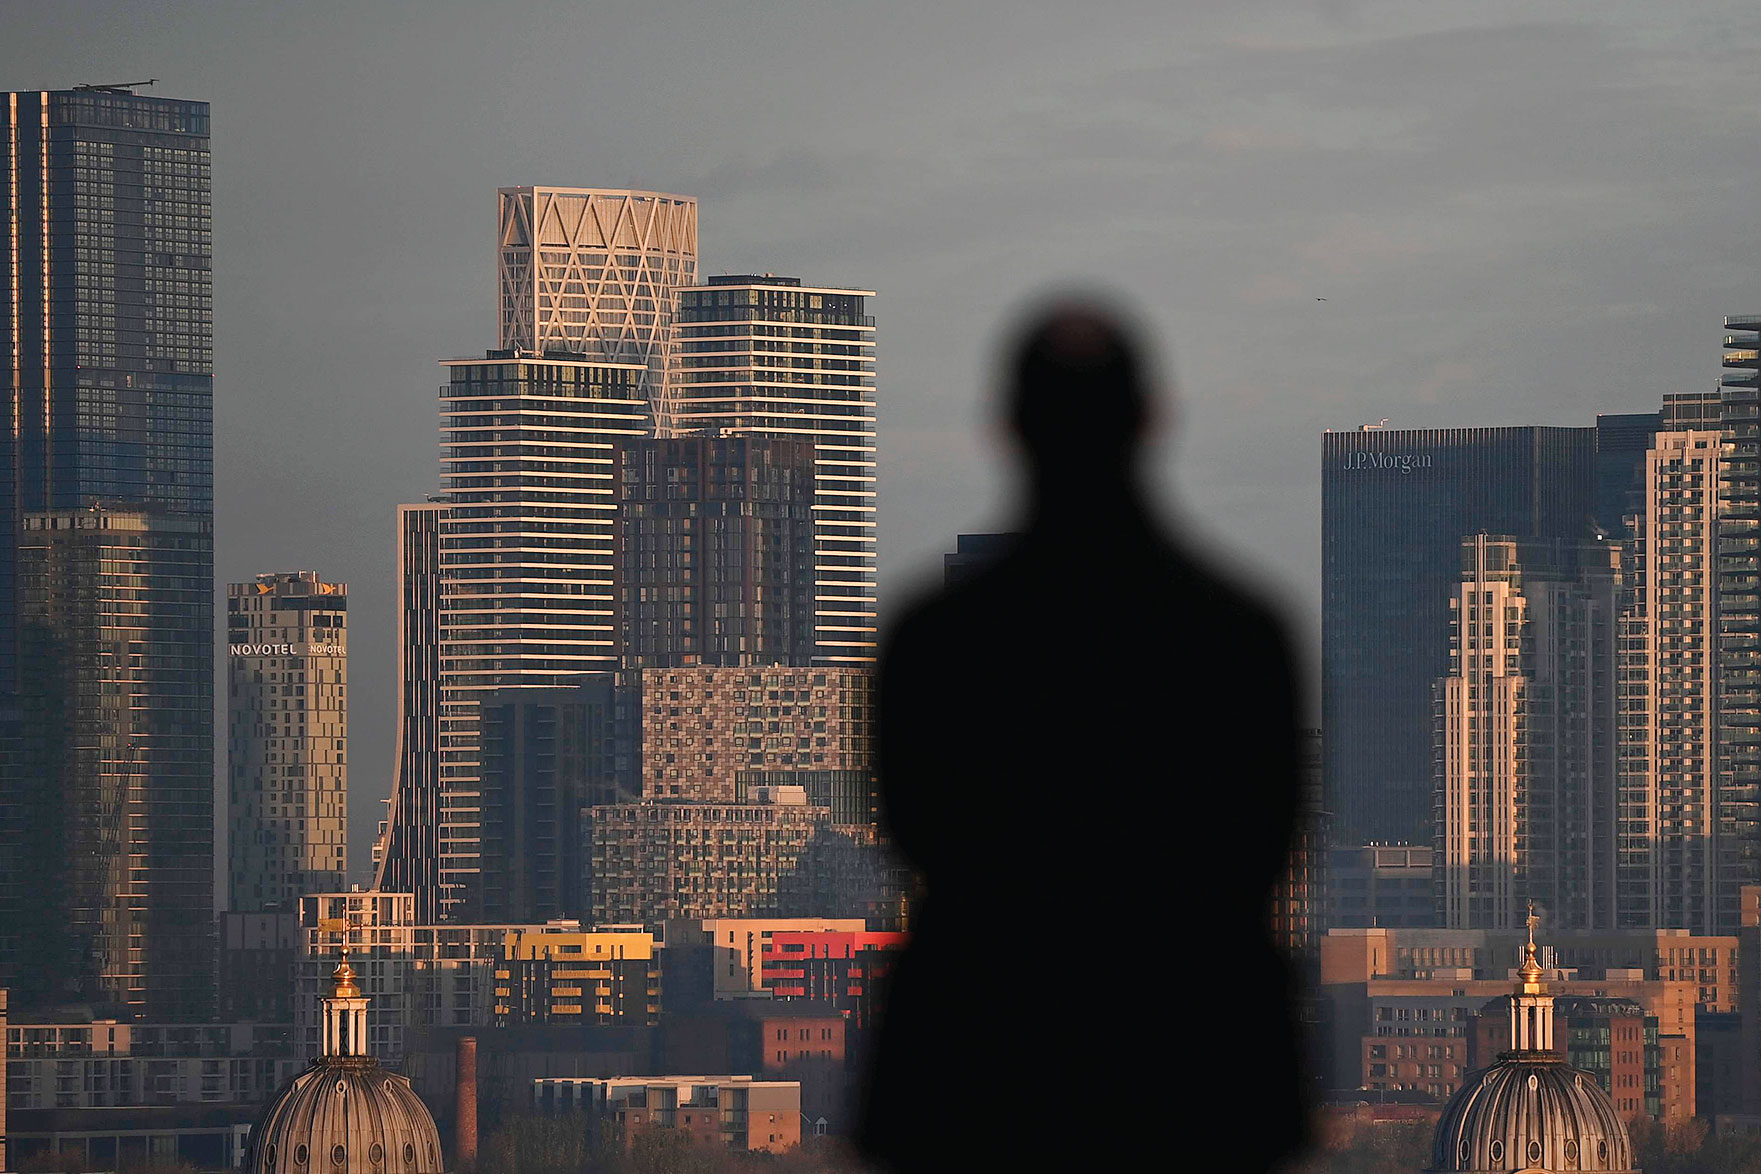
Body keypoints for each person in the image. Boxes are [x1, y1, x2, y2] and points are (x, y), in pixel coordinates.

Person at [857, 300, 1308, 1171]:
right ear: (1151, 420)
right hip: (1197, 1066)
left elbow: (914, 831)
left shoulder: (936, 639)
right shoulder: (1239, 635)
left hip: (981, 1065)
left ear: (1007, 427)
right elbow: (1265, 844)